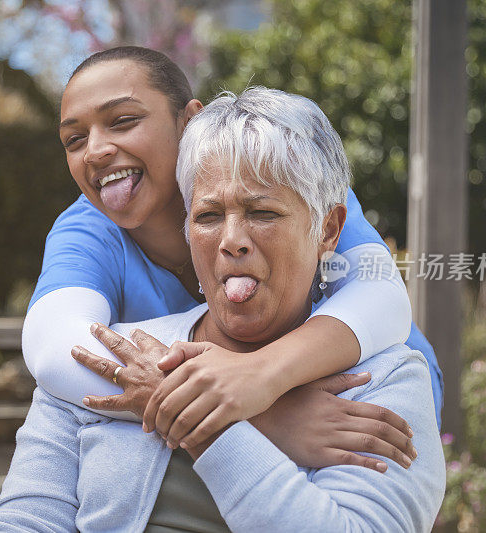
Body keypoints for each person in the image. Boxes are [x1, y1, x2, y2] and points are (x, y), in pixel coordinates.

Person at [0, 87, 446, 532]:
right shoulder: (118, 360)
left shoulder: (386, 381)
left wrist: (207, 422)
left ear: (328, 231)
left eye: (262, 213)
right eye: (207, 217)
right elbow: (26, 516)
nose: (231, 241)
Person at [22, 46, 443, 457]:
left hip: (374, 399)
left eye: (123, 120)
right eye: (74, 139)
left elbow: (382, 296)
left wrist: (258, 379)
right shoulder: (86, 231)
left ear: (189, 120)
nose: (95, 150)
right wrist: (262, 416)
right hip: (273, 427)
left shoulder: (284, 169)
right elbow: (54, 348)